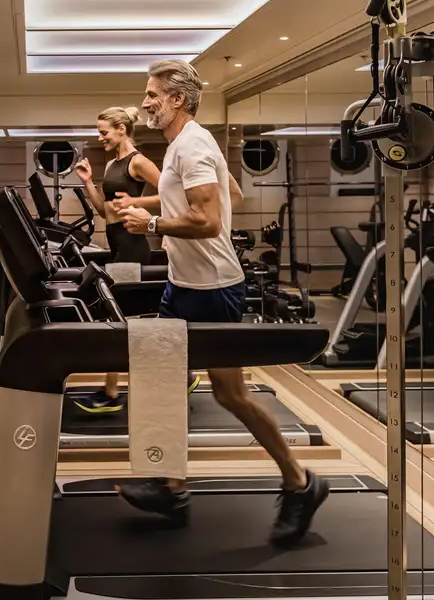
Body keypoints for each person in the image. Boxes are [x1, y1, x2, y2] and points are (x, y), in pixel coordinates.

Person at [113, 58, 328, 547]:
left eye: (152, 94)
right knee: (163, 379)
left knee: (230, 395)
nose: (145, 102)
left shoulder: (190, 146)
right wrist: (144, 204)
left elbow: (210, 222)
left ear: (177, 99)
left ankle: (300, 482)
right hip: (184, 284)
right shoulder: (185, 144)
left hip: (211, 289)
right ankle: (171, 487)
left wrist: (151, 224)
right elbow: (231, 194)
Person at [72, 106, 170, 413]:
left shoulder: (137, 161)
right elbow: (105, 211)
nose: (100, 137)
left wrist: (138, 203)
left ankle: (111, 392)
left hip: (132, 247)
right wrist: (88, 181)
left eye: (104, 132)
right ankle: (177, 376)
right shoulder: (113, 163)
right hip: (117, 245)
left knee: (119, 319)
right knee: (121, 318)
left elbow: (171, 193)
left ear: (121, 129)